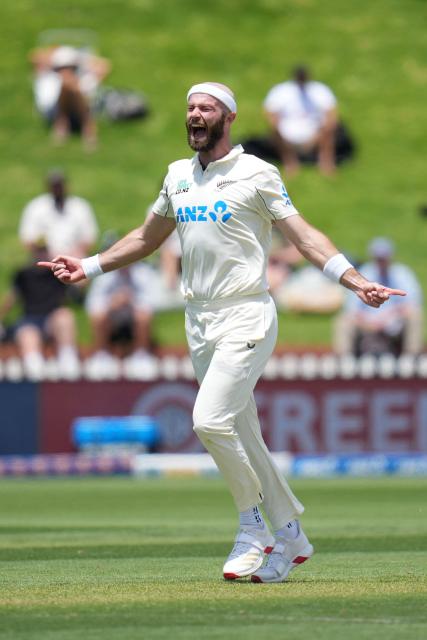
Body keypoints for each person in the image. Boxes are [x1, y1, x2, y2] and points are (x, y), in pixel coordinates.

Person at [39, 82, 406, 583]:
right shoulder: (177, 176)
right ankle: (292, 536)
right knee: (244, 435)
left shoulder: (257, 173)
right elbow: (147, 237)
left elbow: (302, 236)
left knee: (210, 421)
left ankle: (252, 527)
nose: (194, 114)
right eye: (189, 106)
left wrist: (353, 280)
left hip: (247, 314)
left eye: (205, 107)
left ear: (228, 117)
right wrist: (88, 266)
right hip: (199, 321)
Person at [0, 244, 80, 380]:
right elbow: (12, 297)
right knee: (27, 334)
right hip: (30, 319)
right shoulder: (23, 274)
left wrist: (77, 268)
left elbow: (77, 296)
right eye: (39, 251)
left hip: (52, 320)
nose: (41, 254)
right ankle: (34, 368)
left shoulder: (58, 272)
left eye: (43, 250)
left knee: (64, 316)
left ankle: (68, 362)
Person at [85, 232, 158, 378]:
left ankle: (141, 355)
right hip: (111, 316)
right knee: (98, 316)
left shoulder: (144, 273)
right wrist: (112, 303)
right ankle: (102, 354)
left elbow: (152, 304)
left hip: (134, 316)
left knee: (143, 316)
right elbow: (92, 305)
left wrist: (131, 302)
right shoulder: (103, 275)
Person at [334, 237, 423, 356]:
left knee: (415, 314)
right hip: (368, 323)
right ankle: (344, 360)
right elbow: (352, 308)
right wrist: (370, 322)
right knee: (344, 320)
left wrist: (388, 317)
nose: (381, 261)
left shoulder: (402, 274)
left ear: (390, 257)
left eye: (383, 258)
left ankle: (412, 357)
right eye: (378, 258)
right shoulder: (364, 273)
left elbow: (412, 303)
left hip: (395, 322)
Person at [29, 45, 111, 149]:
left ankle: (62, 124)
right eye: (62, 67)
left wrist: (81, 59)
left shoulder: (84, 78)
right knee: (67, 86)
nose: (66, 70)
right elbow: (35, 57)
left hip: (79, 109)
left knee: (70, 87)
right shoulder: (49, 77)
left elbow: (104, 65)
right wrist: (54, 54)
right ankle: (87, 126)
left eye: (70, 67)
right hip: (53, 110)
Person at [264, 65, 339, 176]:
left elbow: (331, 113)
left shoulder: (319, 90)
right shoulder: (281, 91)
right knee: (274, 130)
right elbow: (270, 112)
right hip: (287, 132)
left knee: (331, 127)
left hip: (315, 133)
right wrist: (276, 126)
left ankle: (326, 162)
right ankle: (289, 162)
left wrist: (321, 131)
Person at [19, 170, 99, 259]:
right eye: (54, 186)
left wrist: (73, 255)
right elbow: (28, 239)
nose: (57, 189)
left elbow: (89, 238)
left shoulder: (80, 207)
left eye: (59, 186)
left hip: (75, 259)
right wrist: (47, 254)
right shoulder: (36, 207)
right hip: (44, 260)